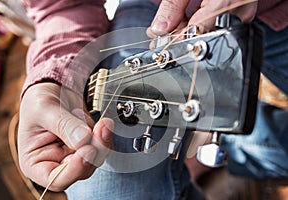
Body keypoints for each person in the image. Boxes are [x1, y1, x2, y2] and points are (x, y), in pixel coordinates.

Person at [17, 0, 288, 199]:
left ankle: (226, 141)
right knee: (109, 191)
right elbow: (62, 7)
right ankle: (232, 140)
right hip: (154, 12)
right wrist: (52, 82)